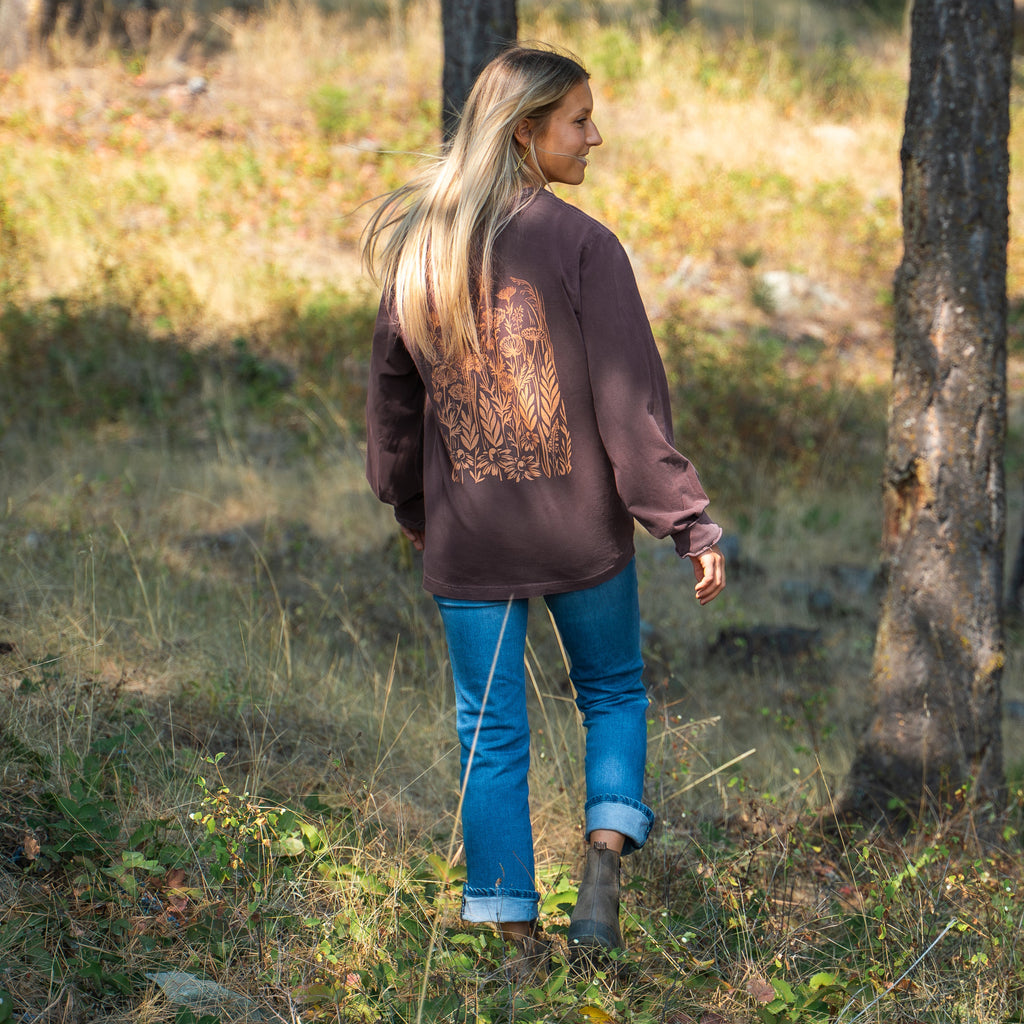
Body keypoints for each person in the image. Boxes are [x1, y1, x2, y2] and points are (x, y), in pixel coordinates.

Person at [362, 44, 725, 977]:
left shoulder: (422, 246)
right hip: (581, 533)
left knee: (486, 727)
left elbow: (393, 407)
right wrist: (684, 520)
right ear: (527, 132)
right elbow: (629, 404)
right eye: (579, 120)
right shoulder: (582, 245)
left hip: (470, 537)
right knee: (610, 691)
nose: (595, 136)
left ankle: (510, 935)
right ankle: (603, 862)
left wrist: (414, 508)